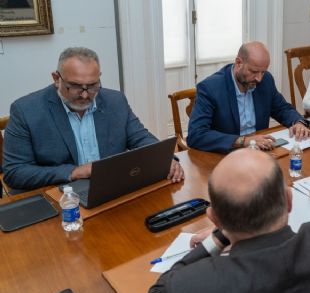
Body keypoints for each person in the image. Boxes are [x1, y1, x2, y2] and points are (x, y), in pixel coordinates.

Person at [146, 148, 310, 293]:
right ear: (288, 201)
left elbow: (157, 292)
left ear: (215, 219)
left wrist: (217, 237)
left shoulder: (195, 284)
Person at [3, 47, 183, 191]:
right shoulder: (26, 110)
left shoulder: (115, 101)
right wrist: (75, 172)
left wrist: (166, 159)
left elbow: (141, 138)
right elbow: (15, 172)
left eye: (92, 86)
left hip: (111, 190)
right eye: (74, 87)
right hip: (62, 195)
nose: (84, 95)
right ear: (56, 78)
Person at [187, 42, 310, 153]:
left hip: (260, 153)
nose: (259, 78)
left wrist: (298, 122)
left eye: (263, 72)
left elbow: (282, 108)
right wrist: (243, 141)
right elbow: (196, 135)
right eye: (254, 71)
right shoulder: (210, 88)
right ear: (238, 63)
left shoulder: (265, 80)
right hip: (227, 155)